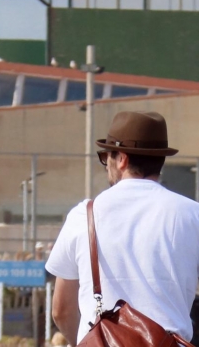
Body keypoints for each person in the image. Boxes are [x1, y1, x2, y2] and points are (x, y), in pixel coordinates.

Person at [46, 111, 199, 346]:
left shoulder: (84, 215)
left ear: (122, 159)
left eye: (105, 157)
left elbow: (61, 310)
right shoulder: (192, 215)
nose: (106, 165)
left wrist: (89, 340)